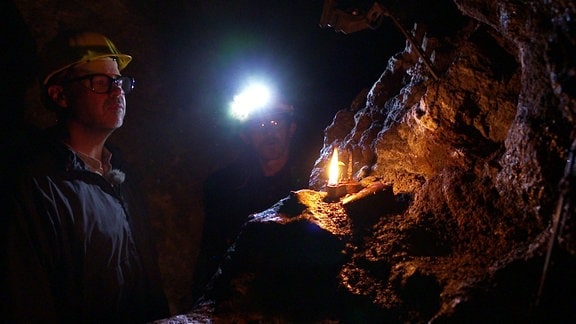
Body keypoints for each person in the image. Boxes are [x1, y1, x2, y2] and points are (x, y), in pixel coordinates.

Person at [0, 30, 168, 322]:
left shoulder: (122, 173)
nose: (117, 92)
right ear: (60, 95)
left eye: (120, 82)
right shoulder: (36, 185)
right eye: (100, 82)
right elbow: (27, 297)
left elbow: (147, 277)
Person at [191, 101, 312, 301]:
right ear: (245, 136)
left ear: (291, 128)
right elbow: (210, 251)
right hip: (238, 294)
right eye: (259, 125)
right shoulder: (225, 186)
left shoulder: (311, 180)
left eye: (275, 122)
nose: (268, 132)